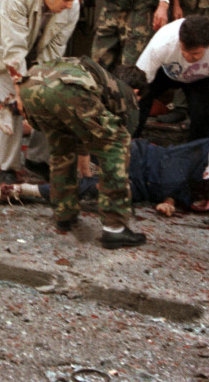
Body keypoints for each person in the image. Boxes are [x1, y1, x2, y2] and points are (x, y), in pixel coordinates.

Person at [0, 99, 209, 219]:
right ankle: (11, 118)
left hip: (145, 189)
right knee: (81, 139)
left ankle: (23, 192)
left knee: (91, 189)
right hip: (146, 158)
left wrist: (169, 202)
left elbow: (186, 193)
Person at [17, 56, 148, 249]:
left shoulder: (98, 78)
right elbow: (119, 140)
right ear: (137, 92)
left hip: (31, 84)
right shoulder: (126, 93)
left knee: (62, 147)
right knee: (117, 144)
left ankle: (64, 214)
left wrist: (86, 173)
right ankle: (115, 228)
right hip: (66, 87)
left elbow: (83, 133)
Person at [0, 0, 84, 184]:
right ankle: (8, 166)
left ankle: (38, 159)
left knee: (47, 97)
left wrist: (41, 83)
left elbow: (55, 49)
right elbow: (14, 49)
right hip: (5, 44)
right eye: (65, 0)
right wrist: (21, 92)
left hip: (38, 47)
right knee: (11, 102)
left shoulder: (72, 7)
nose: (70, 5)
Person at [135, 14, 209, 141]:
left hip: (200, 78)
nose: (187, 56)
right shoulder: (161, 44)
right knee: (141, 101)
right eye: (183, 49)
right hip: (165, 72)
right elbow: (137, 84)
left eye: (195, 53)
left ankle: (197, 152)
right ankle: (132, 139)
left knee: (201, 116)